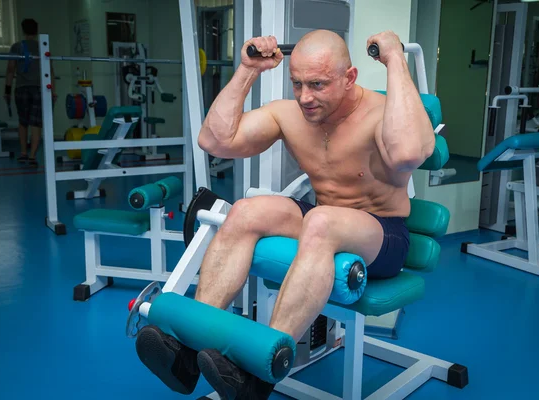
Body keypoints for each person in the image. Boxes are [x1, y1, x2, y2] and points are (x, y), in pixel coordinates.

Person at [135, 30, 435, 399]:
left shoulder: (379, 113)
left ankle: (259, 373)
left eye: (318, 85)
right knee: (245, 212)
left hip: (382, 235)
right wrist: (247, 69)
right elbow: (215, 141)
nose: (305, 97)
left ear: (350, 77)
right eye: (297, 84)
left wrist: (394, 59)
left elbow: (407, 154)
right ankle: (187, 350)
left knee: (321, 222)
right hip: (322, 219)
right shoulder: (290, 114)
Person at [4, 18, 57, 167]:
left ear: (23, 30)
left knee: (23, 122)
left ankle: (23, 153)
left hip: (21, 89)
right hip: (39, 90)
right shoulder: (43, 46)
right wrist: (53, 91)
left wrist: (7, 91)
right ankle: (33, 156)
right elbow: (50, 71)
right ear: (36, 30)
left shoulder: (16, 47)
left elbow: (10, 70)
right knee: (36, 123)